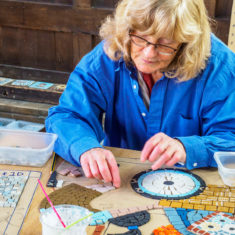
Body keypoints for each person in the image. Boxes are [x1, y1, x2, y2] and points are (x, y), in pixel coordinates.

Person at [46, 0, 235, 188]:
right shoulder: (111, 52)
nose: (149, 53)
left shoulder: (219, 67)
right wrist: (86, 147)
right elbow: (67, 115)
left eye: (165, 43)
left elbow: (231, 137)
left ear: (186, 44)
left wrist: (188, 147)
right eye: (141, 38)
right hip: (121, 179)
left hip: (192, 183)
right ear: (126, 29)